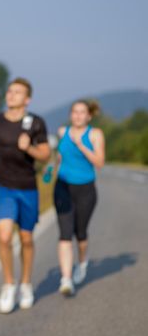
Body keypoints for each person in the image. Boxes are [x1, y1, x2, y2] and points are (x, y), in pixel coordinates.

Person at [0, 77, 50, 314]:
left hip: (28, 188)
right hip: (3, 187)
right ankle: (8, 285)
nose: (11, 95)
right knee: (4, 237)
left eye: (17, 92)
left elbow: (45, 154)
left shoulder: (36, 123)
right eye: (9, 91)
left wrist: (29, 148)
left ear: (27, 99)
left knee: (26, 239)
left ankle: (26, 284)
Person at [54, 99, 105, 296]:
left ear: (88, 116)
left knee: (80, 232)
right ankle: (66, 279)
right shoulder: (62, 132)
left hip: (86, 189)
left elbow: (99, 162)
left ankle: (82, 262)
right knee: (65, 233)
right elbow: (60, 156)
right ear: (70, 115)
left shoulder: (94, 134)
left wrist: (81, 145)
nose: (77, 115)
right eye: (74, 112)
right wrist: (52, 167)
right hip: (63, 187)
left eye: (82, 112)